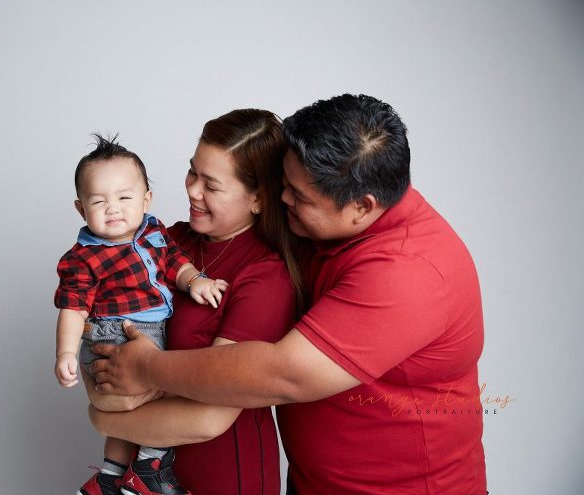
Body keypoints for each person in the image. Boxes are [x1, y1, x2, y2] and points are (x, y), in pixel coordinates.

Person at [92, 95, 488, 494]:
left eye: (299, 197)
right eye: (283, 184)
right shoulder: (317, 233)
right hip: (312, 482)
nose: (283, 201)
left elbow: (282, 374)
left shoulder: (408, 271)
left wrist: (142, 373)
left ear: (362, 207)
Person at [86, 109, 305, 494]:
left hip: (221, 475)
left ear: (258, 198)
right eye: (193, 172)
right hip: (134, 479)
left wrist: (105, 419)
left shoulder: (266, 276)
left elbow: (207, 419)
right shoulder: (167, 242)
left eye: (212, 185)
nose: (192, 189)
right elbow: (99, 346)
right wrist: (106, 399)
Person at [53, 135, 229, 495]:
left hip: (150, 325)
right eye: (98, 201)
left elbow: (174, 262)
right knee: (167, 392)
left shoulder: (154, 231)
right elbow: (73, 307)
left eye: (125, 198)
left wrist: (193, 280)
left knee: (128, 415)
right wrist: (66, 354)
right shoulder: (83, 257)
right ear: (80, 208)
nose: (113, 208)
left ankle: (109, 477)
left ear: (146, 199)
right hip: (115, 331)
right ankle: (149, 466)